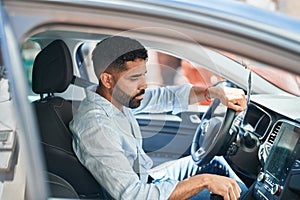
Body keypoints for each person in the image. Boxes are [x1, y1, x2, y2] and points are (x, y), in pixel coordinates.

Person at [69, 36, 247, 200]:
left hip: (148, 179)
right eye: (134, 78)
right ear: (107, 80)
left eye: (143, 75)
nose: (144, 84)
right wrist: (204, 181)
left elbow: (166, 97)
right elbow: (135, 195)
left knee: (216, 164)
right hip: (142, 191)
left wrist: (212, 92)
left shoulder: (118, 99)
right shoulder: (97, 127)